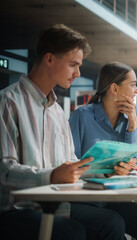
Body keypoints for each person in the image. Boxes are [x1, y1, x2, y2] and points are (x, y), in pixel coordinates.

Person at [0, 24, 124, 240]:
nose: (78, 73)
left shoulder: (57, 111)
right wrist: (52, 176)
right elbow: (4, 172)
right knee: (73, 232)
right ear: (49, 59)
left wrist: (106, 170)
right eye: (73, 65)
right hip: (16, 210)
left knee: (113, 223)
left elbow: (70, 162)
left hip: (56, 205)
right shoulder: (8, 102)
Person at [69, 62, 137, 240]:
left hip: (114, 198)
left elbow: (133, 161)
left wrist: (133, 124)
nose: (136, 90)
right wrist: (104, 174)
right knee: (115, 225)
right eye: (133, 84)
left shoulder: (133, 113)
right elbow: (68, 164)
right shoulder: (82, 116)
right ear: (114, 88)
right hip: (86, 199)